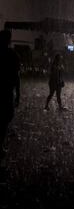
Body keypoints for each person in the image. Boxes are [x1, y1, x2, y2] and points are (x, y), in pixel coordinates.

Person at [0, 30, 20, 159]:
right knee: (5, 118)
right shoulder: (13, 55)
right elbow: (17, 77)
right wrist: (18, 93)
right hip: (6, 91)